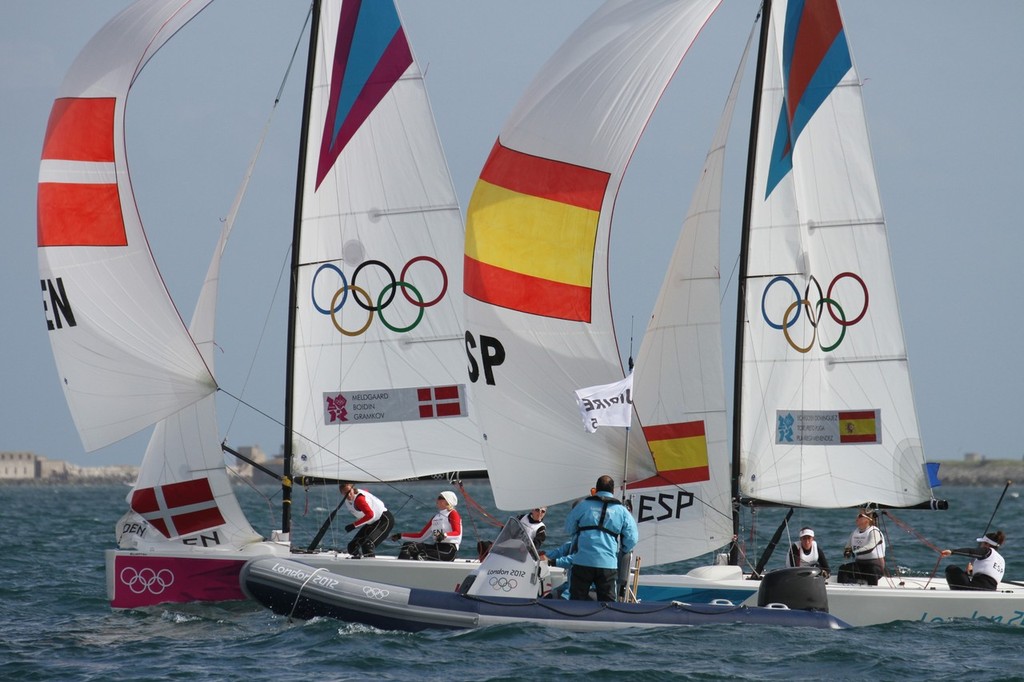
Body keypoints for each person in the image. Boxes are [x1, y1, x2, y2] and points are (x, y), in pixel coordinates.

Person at [563, 475, 638, 602]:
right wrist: (623, 548)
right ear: (613, 491)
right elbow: (632, 539)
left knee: (576, 602)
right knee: (607, 603)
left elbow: (569, 529)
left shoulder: (582, 506)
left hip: (582, 562)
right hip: (607, 564)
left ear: (596, 489)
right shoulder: (622, 511)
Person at [391, 490, 462, 561]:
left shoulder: (453, 513)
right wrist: (400, 536)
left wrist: (444, 535)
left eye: (440, 498)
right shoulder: (435, 517)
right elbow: (421, 536)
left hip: (448, 550)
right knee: (408, 546)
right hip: (436, 547)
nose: (437, 500)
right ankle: (400, 568)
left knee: (422, 555)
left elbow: (457, 532)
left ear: (447, 501)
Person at [338, 482, 394, 558]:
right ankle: (357, 565)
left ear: (353, 489)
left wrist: (354, 525)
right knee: (352, 546)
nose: (348, 495)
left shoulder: (359, 499)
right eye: (345, 493)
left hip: (384, 520)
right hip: (372, 522)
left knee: (367, 544)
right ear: (341, 493)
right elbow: (366, 493)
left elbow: (370, 515)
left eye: (349, 492)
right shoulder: (348, 499)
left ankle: (371, 566)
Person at [941, 530, 1006, 591]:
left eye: (982, 543)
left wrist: (952, 552)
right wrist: (970, 572)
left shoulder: (987, 550)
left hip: (976, 587)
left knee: (951, 569)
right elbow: (988, 575)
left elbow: (970, 552)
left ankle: (957, 596)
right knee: (965, 575)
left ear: (987, 544)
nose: (981, 545)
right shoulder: (1001, 560)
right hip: (992, 590)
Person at [837, 509, 886, 585]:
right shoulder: (855, 532)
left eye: (860, 516)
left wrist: (855, 551)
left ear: (868, 520)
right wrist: (847, 552)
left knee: (871, 571)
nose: (857, 518)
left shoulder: (874, 531)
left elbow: (870, 547)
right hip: (860, 566)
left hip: (875, 567)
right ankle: (845, 590)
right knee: (843, 569)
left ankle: (872, 592)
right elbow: (848, 547)